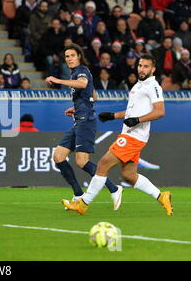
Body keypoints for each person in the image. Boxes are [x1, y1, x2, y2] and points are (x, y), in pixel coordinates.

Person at [63, 54, 173, 216]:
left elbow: (160, 111)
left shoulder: (153, 85)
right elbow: (132, 112)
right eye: (140, 65)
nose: (141, 69)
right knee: (129, 175)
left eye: (146, 66)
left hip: (133, 136)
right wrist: (113, 116)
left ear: (153, 69)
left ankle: (83, 204)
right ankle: (161, 196)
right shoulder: (138, 86)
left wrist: (137, 120)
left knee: (103, 164)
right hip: (131, 134)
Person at [45, 43, 122, 209]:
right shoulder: (78, 73)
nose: (70, 58)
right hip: (79, 119)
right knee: (58, 156)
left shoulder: (81, 70)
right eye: (67, 56)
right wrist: (78, 106)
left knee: (82, 162)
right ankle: (78, 194)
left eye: (72, 55)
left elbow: (83, 84)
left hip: (86, 121)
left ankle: (114, 188)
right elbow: (94, 95)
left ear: (79, 56)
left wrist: (57, 80)